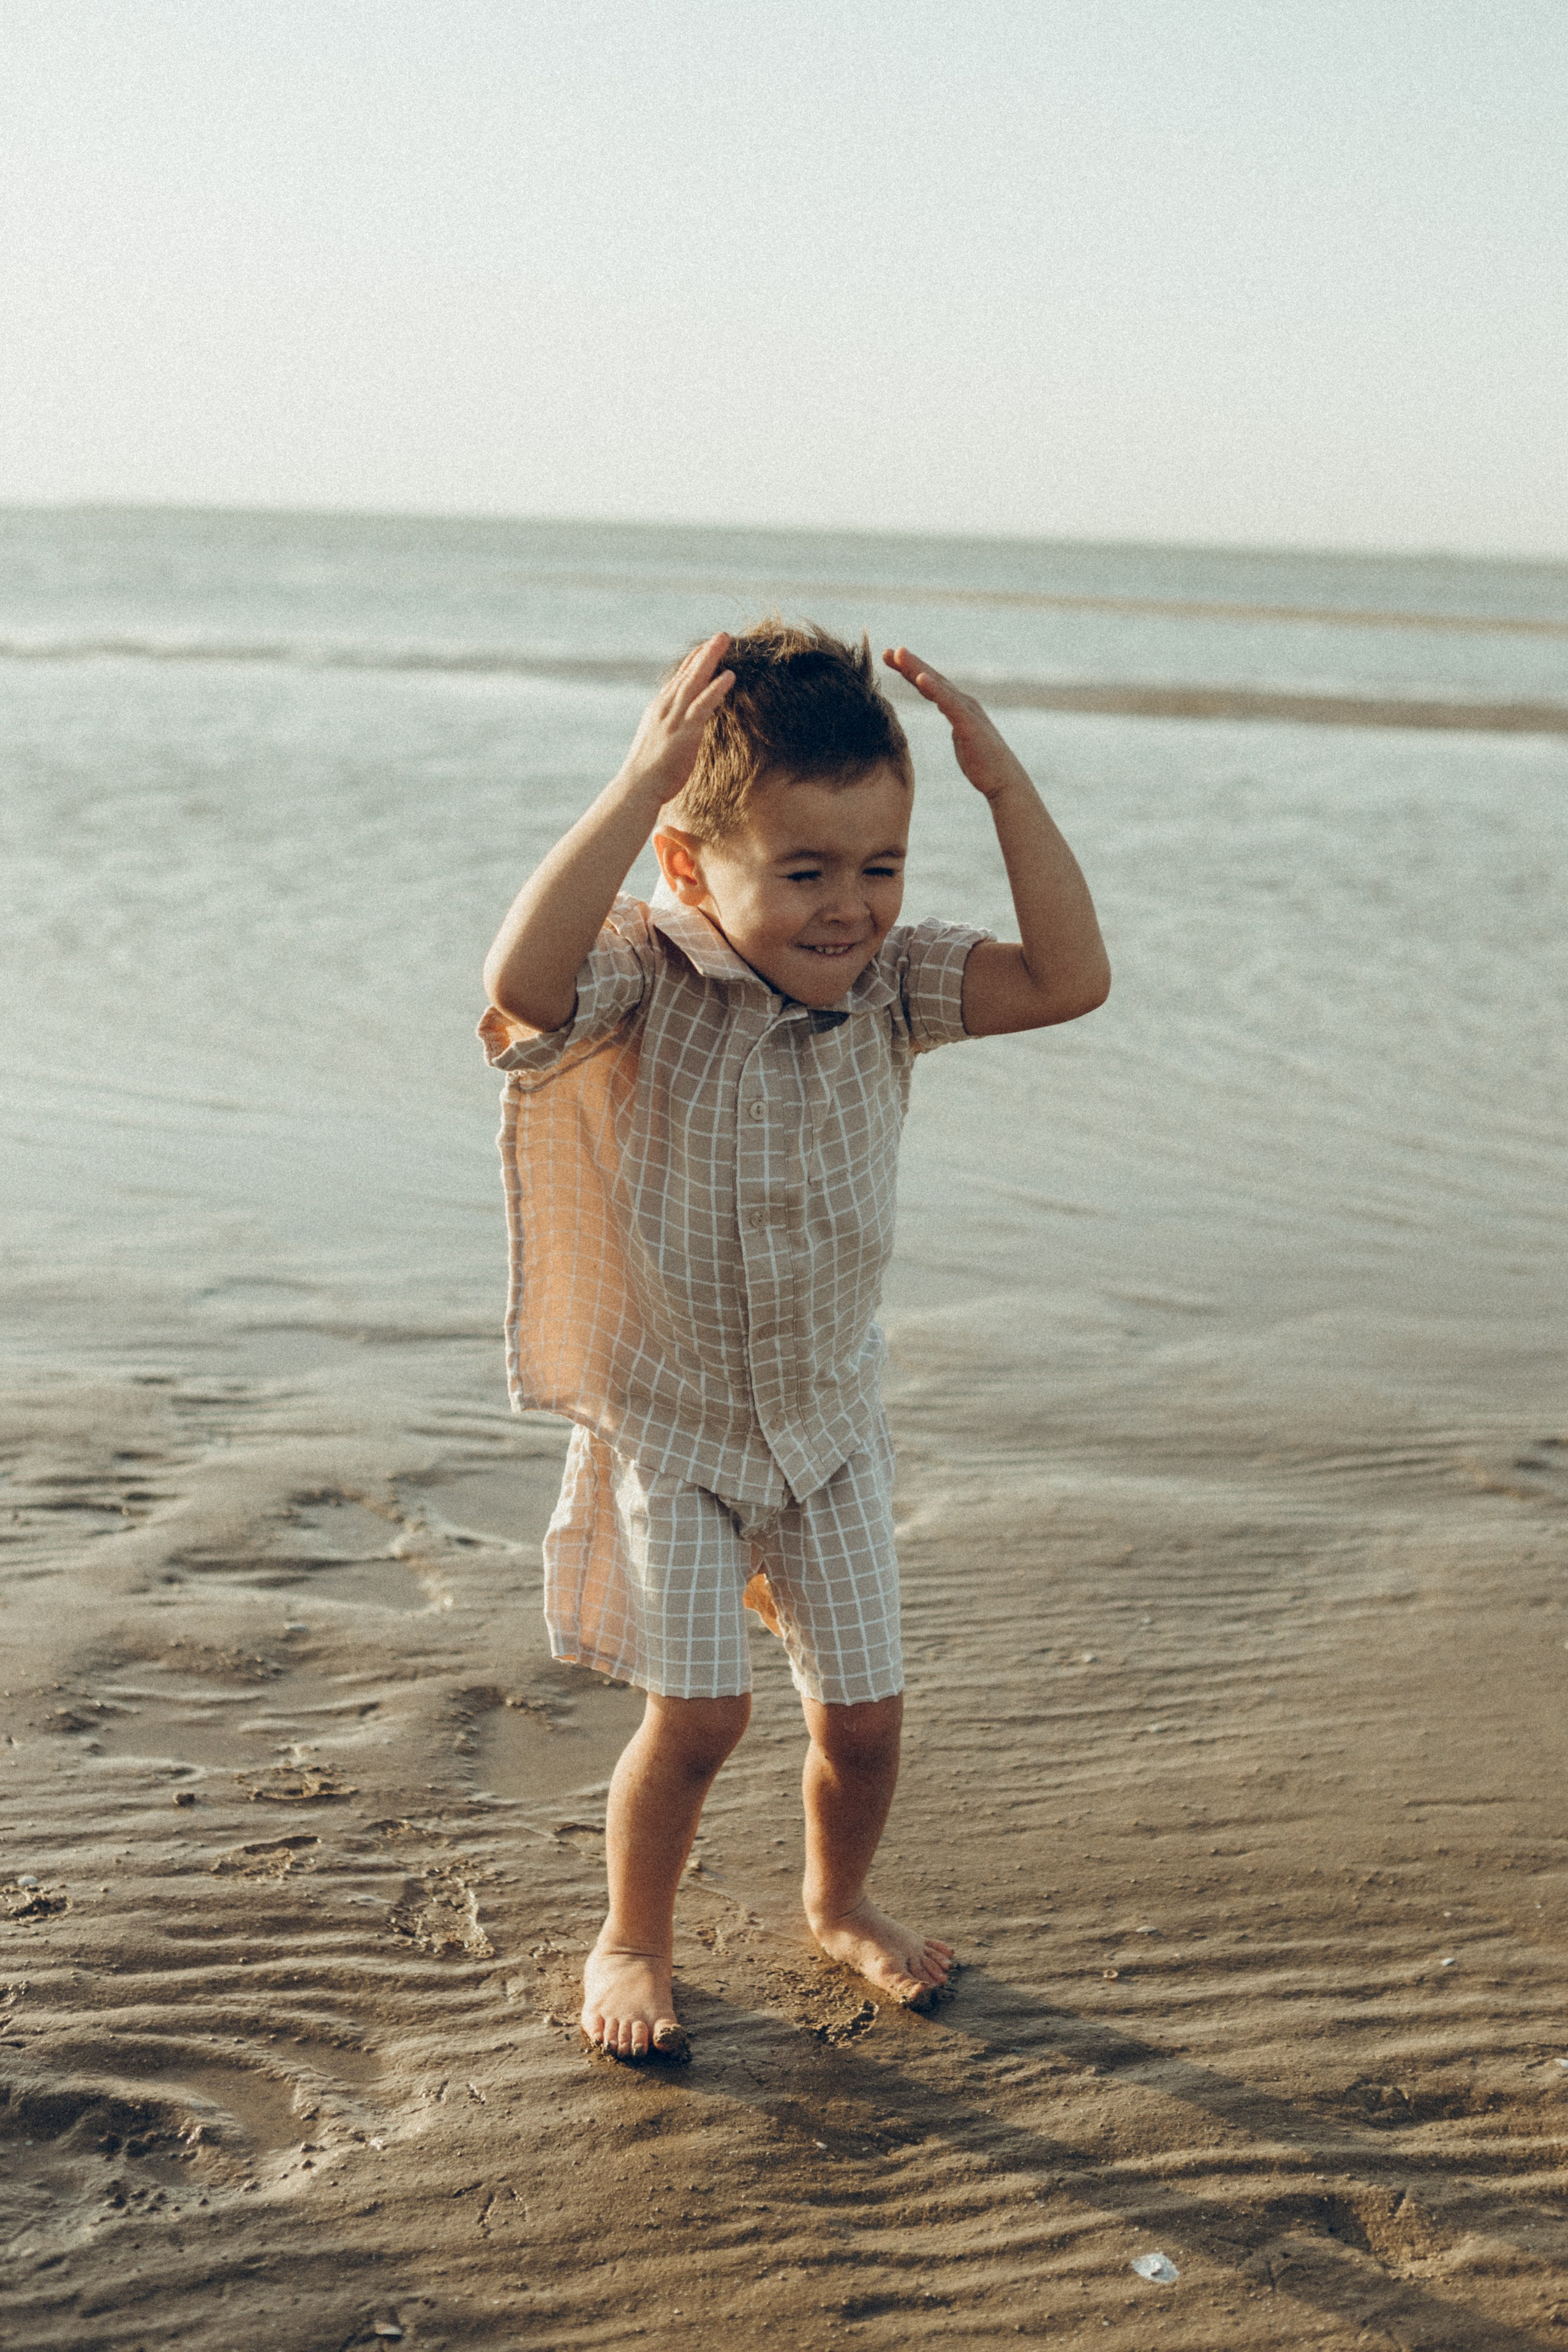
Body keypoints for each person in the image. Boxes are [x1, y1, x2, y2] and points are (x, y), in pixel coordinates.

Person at [480, 621, 1110, 2060]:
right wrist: (642, 785)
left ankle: (839, 1901)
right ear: (694, 868)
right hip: (678, 1429)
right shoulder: (647, 972)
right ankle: (631, 1936)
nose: (850, 909)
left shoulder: (897, 988)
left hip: (826, 1429)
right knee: (698, 1720)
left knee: (867, 1722)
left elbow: (1070, 977)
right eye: (807, 871)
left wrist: (1003, 785)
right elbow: (524, 981)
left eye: (879, 867)